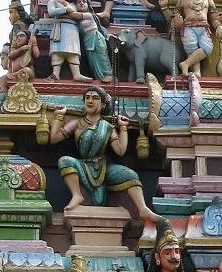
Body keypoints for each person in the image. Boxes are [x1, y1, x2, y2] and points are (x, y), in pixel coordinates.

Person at [49, 86, 162, 221]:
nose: (90, 101)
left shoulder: (107, 126)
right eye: (87, 98)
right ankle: (77, 195)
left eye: (95, 98)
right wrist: (59, 115)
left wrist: (123, 127)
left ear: (103, 105)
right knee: (64, 161)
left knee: (131, 175)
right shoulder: (77, 123)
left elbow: (120, 150)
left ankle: (143, 208)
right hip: (83, 165)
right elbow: (54, 138)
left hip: (103, 167)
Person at [47, 0, 95, 83]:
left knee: (73, 51)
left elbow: (86, 0)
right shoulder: (53, 2)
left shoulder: (75, 4)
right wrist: (65, 9)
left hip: (72, 29)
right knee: (57, 50)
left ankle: (77, 74)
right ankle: (55, 74)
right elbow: (51, 12)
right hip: (59, 28)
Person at [67, 0, 114, 82]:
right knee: (93, 60)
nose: (81, 3)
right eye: (79, 2)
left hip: (96, 37)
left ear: (88, 6)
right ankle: (98, 77)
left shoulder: (89, 15)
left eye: (84, 2)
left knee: (102, 57)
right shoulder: (78, 20)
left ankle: (108, 74)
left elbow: (73, 15)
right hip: (88, 40)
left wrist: (66, 7)